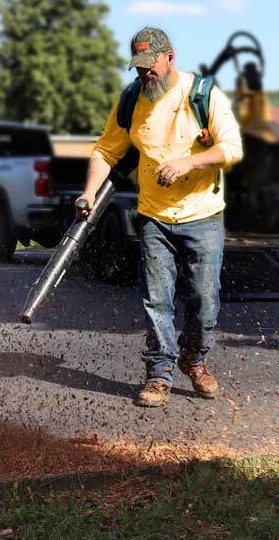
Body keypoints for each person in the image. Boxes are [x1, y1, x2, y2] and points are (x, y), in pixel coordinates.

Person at [78, 27, 244, 407]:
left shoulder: (202, 94)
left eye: (149, 65)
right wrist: (89, 192)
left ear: (169, 56)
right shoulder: (132, 99)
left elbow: (231, 148)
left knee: (204, 299)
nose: (144, 74)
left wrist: (189, 161)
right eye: (137, 68)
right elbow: (106, 151)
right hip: (154, 216)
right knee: (157, 300)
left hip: (202, 215)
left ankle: (195, 359)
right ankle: (159, 374)